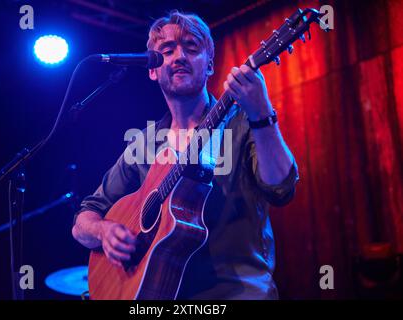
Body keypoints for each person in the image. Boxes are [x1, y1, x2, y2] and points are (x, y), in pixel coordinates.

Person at [72, 10, 299, 299]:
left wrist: (262, 112)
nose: (179, 56)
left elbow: (282, 188)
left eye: (191, 48)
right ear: (152, 70)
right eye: (167, 50)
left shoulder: (242, 122)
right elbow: (83, 220)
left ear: (209, 66)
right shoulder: (145, 144)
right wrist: (104, 232)